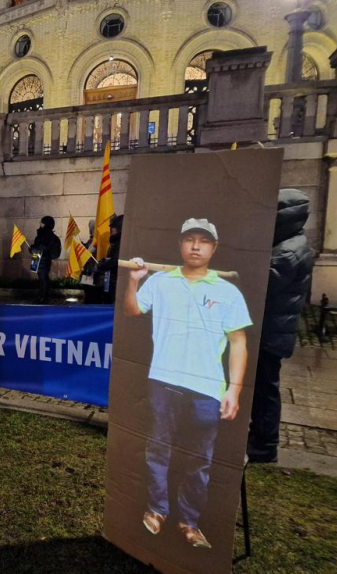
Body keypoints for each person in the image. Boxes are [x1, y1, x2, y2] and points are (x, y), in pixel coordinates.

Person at [124, 218, 251, 550]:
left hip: (208, 387)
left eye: (203, 241)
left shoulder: (228, 291)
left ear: (214, 247)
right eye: (190, 239)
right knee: (158, 448)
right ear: (180, 244)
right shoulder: (160, 281)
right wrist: (134, 282)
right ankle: (157, 510)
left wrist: (234, 389)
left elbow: (238, 343)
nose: (196, 246)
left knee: (199, 458)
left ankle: (189, 521)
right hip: (163, 380)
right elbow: (133, 311)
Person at [248, 189, 314, 463]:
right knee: (263, 387)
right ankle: (261, 438)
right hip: (272, 329)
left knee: (264, 389)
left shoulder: (286, 252)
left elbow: (260, 287)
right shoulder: (291, 244)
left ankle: (265, 444)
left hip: (270, 332)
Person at [30, 216, 62, 304]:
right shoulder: (42, 234)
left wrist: (35, 248)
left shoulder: (48, 236)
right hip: (38, 258)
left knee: (43, 278)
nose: (40, 224)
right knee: (41, 278)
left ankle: (44, 297)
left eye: (42, 222)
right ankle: (41, 296)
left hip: (44, 259)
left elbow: (44, 247)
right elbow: (38, 245)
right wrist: (33, 249)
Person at [97, 214, 123, 304]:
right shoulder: (117, 242)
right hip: (114, 280)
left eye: (113, 228)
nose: (111, 230)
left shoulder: (119, 243)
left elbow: (115, 261)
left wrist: (102, 266)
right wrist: (105, 261)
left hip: (117, 280)